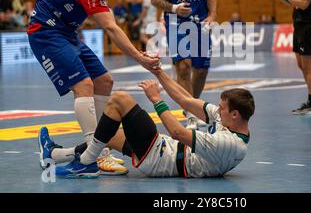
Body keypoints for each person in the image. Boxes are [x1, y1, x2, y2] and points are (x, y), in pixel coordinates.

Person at [28, 0, 160, 175]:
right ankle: (94, 157)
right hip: (46, 33)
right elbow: (111, 28)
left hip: (66, 33)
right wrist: (141, 58)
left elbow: (109, 20)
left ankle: (57, 153)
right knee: (84, 85)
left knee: (104, 81)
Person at [39, 67, 254, 178]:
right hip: (164, 149)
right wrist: (158, 72)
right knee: (109, 133)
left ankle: (85, 163)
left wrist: (156, 99)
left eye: (222, 108)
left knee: (120, 100)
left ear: (235, 114)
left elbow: (178, 132)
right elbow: (184, 100)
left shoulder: (230, 144)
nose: (218, 109)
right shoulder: (231, 121)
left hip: (162, 160)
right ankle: (54, 154)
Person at [150, 0, 219, 130]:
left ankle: (193, 105)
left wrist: (213, 15)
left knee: (201, 70)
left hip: (201, 23)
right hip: (176, 23)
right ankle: (190, 114)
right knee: (183, 67)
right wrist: (173, 8)